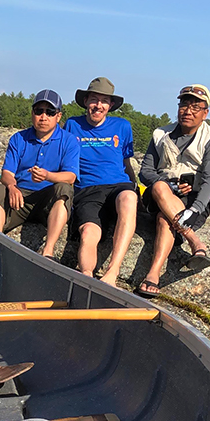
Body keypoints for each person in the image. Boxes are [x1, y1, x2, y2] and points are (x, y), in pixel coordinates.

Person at [136, 84, 210, 298]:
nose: (188, 110)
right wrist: (169, 183)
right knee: (158, 186)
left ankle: (153, 275)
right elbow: (145, 171)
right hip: (160, 194)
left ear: (206, 113)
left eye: (195, 106)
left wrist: (195, 208)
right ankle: (194, 241)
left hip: (192, 201)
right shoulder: (160, 134)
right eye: (184, 104)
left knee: (164, 220)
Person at [0, 90, 79, 256]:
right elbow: (7, 172)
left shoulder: (69, 141)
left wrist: (47, 176)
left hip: (48, 200)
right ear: (32, 113)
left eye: (50, 112)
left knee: (64, 189)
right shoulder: (18, 138)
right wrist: (12, 187)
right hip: (20, 198)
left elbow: (70, 176)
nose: (43, 117)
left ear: (58, 116)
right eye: (39, 111)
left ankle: (48, 251)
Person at [65, 77, 138, 286]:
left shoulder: (122, 126)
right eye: (94, 100)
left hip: (118, 185)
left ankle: (112, 273)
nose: (99, 106)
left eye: (104, 101)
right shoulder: (72, 124)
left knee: (128, 199)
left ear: (110, 105)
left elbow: (126, 162)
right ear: (86, 101)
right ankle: (87, 278)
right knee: (88, 232)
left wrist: (136, 187)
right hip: (86, 189)